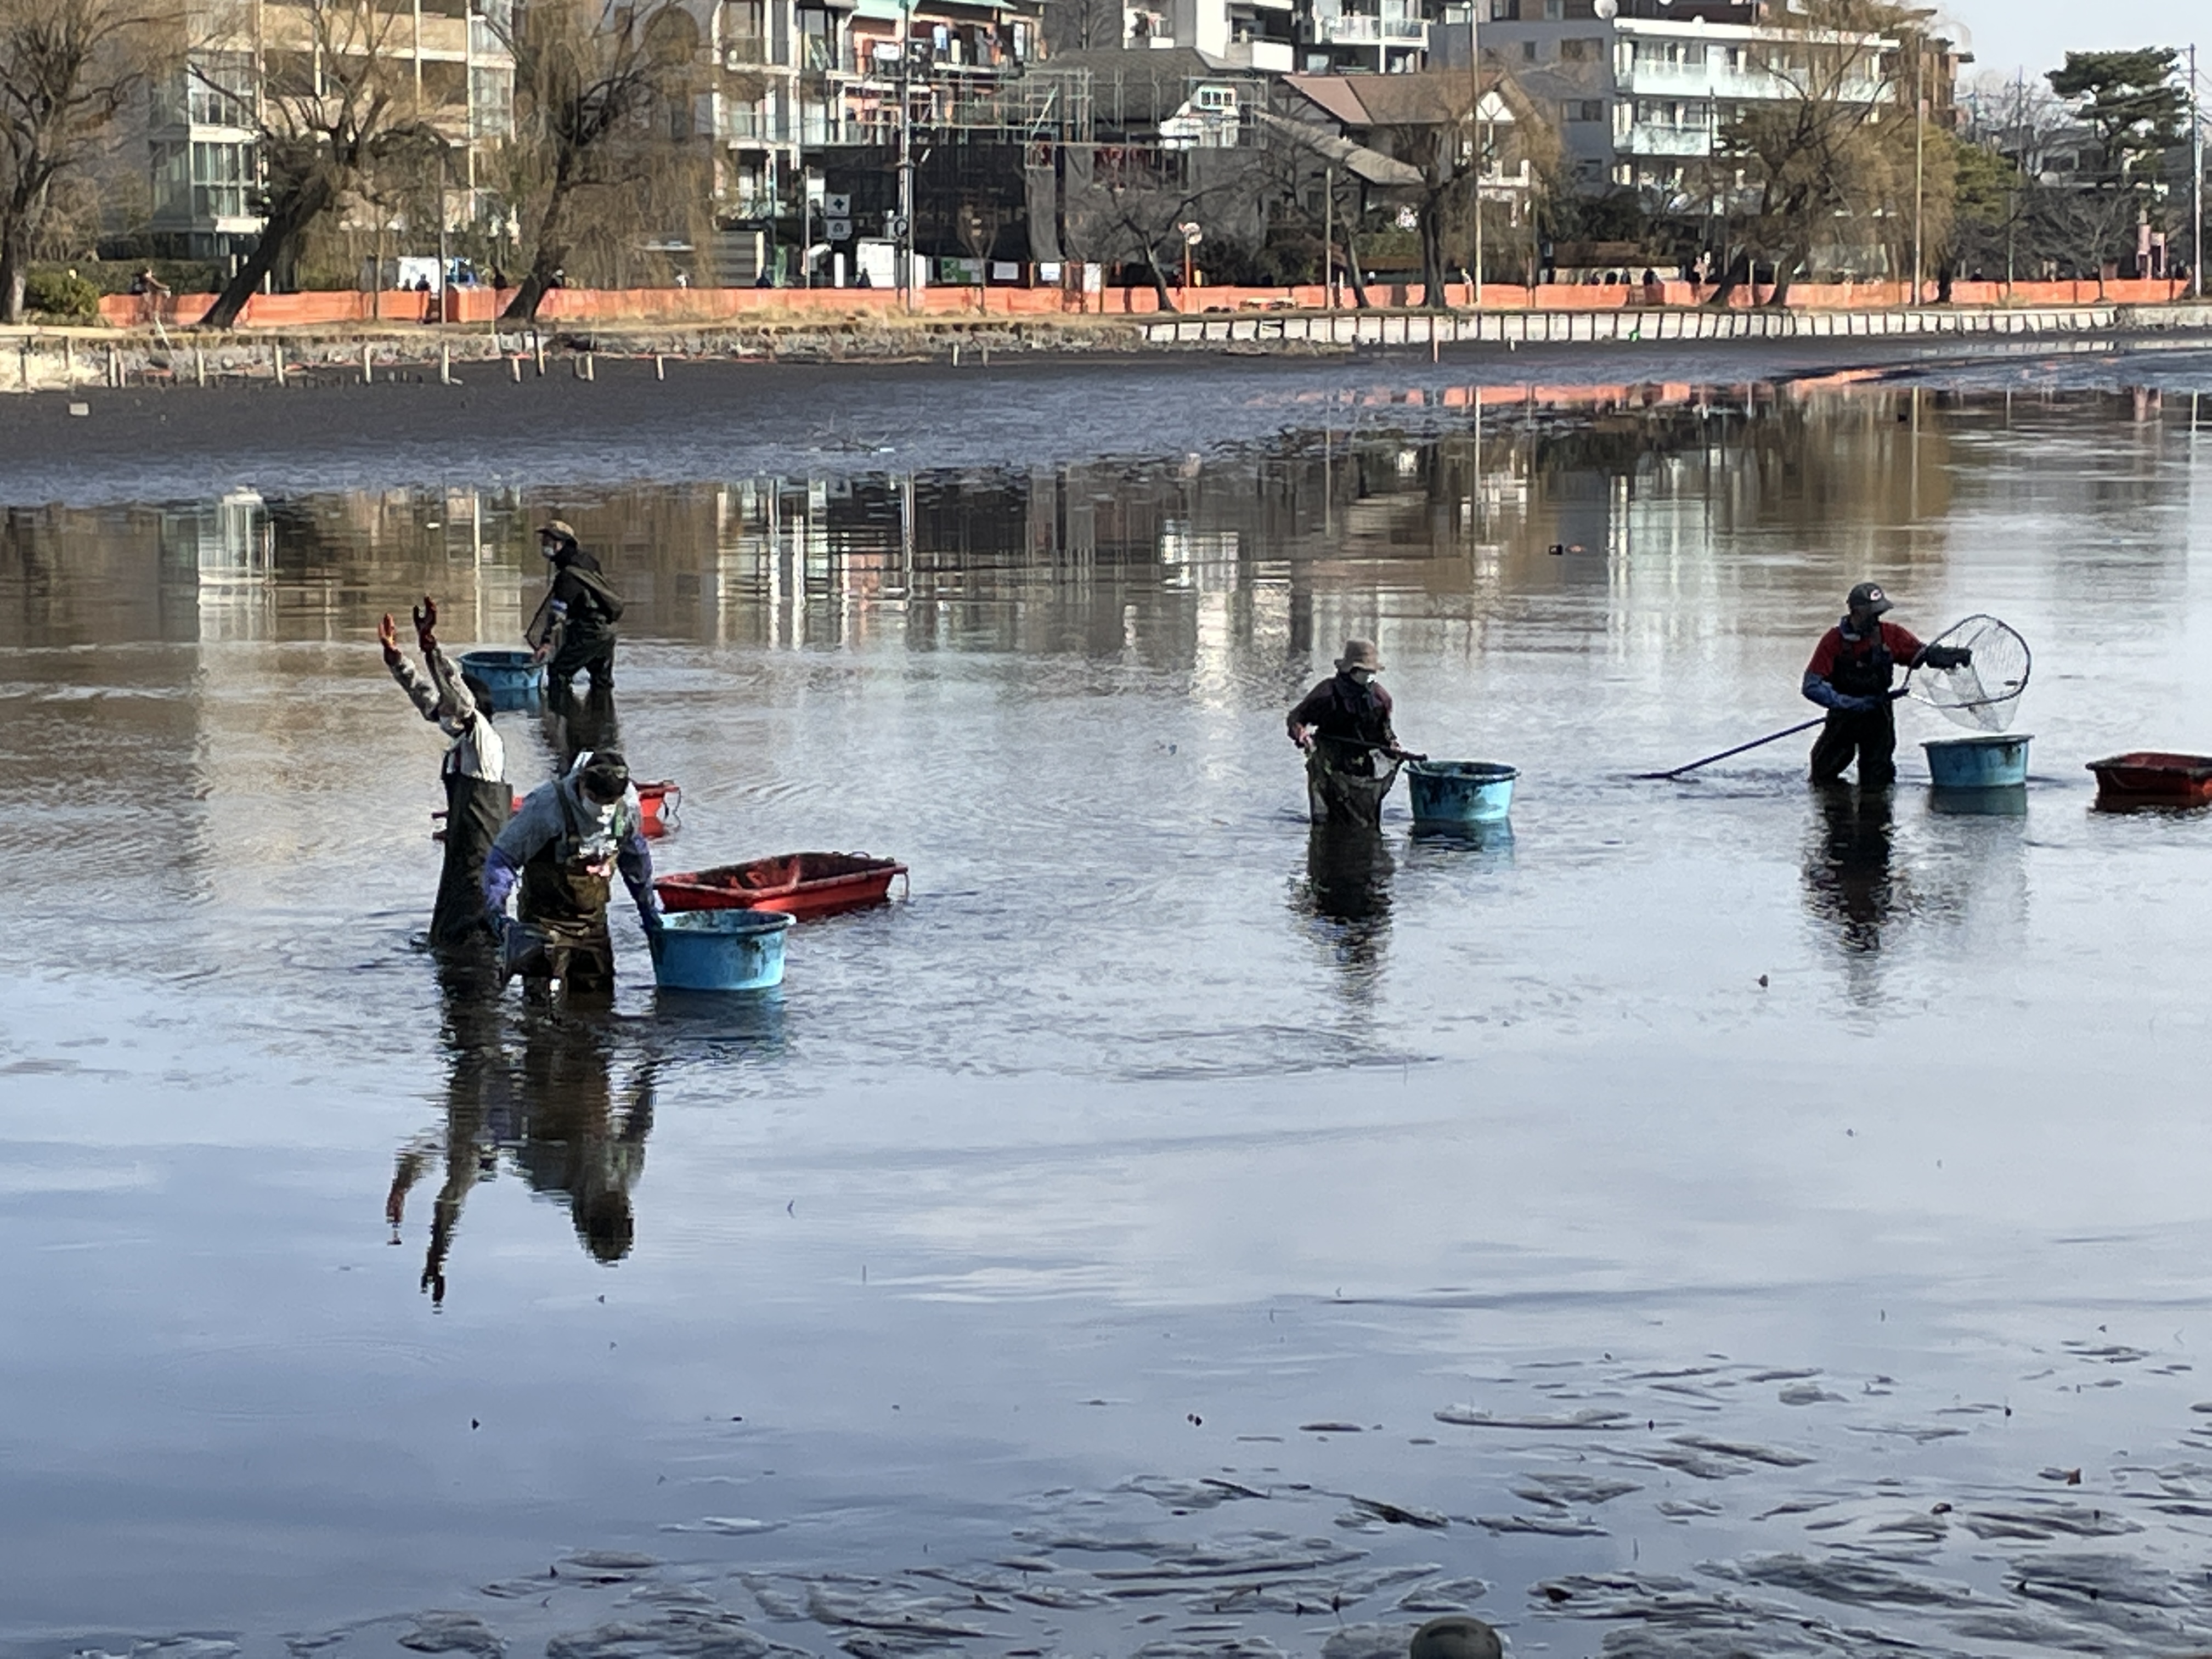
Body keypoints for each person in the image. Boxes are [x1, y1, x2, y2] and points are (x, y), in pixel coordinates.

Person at [381, 595, 509, 950]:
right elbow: (428, 702)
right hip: (462, 847)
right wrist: (397, 662)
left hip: (481, 852)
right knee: (449, 930)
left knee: (474, 929)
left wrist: (431, 650)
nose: (444, 713)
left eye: (452, 707)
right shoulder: (461, 742)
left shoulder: (484, 739)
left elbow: (458, 699)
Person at [482, 748, 661, 997]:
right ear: (581, 784)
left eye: (610, 802)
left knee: (598, 1003)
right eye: (595, 799)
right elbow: (502, 859)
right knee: (544, 1010)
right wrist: (498, 916)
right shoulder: (546, 807)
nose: (604, 809)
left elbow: (635, 856)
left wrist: (648, 908)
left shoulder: (627, 807)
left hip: (592, 924)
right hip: (544, 924)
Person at [1802, 582, 1971, 786]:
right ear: (1855, 611)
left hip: (1878, 715)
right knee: (1823, 775)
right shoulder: (1833, 641)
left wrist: (1943, 656)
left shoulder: (1891, 635)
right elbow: (1811, 686)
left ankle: (1876, 813)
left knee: (1878, 777)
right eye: (1871, 613)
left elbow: (1920, 655)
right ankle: (1835, 808)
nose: (1876, 619)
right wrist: (1846, 703)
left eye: (1878, 613)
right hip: (1843, 718)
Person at [1287, 639, 1416, 826]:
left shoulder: (1380, 699)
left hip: (1363, 770)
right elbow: (1295, 719)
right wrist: (1302, 735)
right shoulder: (1327, 694)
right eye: (1367, 672)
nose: (1371, 677)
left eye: (1373, 673)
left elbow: (1385, 733)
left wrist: (1393, 746)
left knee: (1364, 823)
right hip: (1329, 764)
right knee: (1327, 822)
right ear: (1353, 671)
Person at [525, 520, 625, 695]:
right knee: (602, 682)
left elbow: (558, 612)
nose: (544, 547)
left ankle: (566, 717)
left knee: (558, 672)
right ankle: (603, 719)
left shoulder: (568, 576)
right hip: (607, 631)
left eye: (548, 542)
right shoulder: (588, 562)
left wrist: (547, 643)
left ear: (560, 544)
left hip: (588, 631)